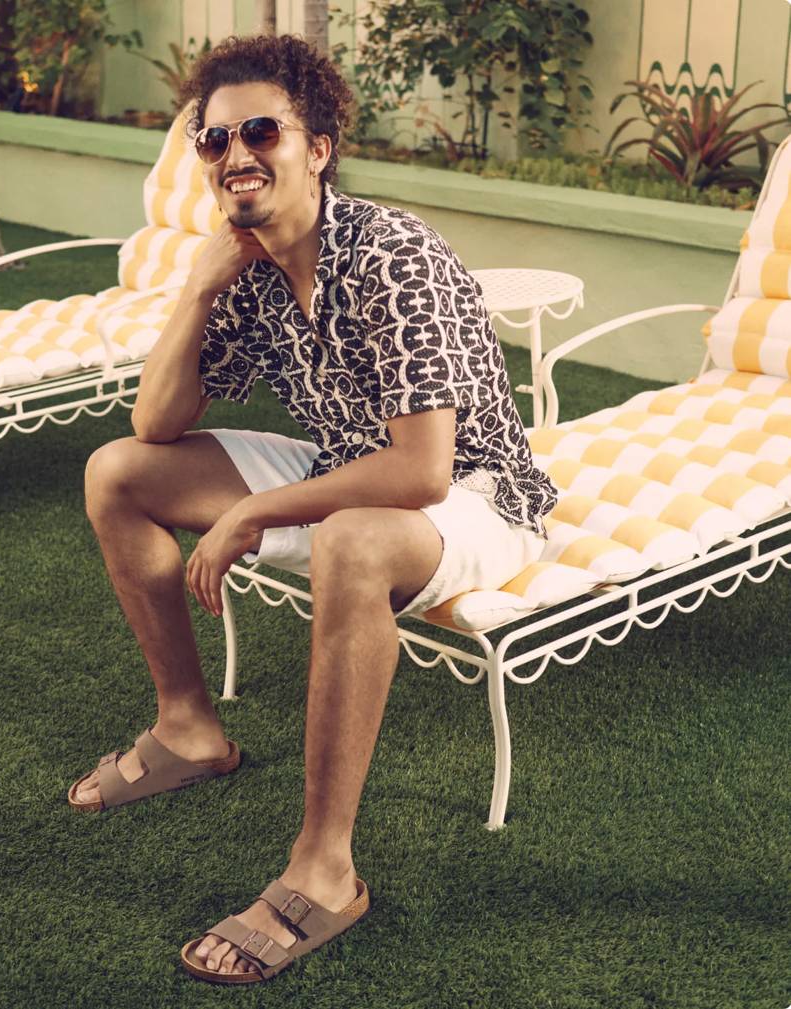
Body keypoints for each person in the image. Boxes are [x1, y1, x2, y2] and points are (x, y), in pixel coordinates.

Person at [69, 33, 558, 984]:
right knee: (116, 470)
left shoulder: (391, 254)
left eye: (261, 131)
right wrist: (200, 286)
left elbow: (420, 472)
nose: (235, 155)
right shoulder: (248, 265)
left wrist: (255, 514)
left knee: (351, 541)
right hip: (346, 463)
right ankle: (188, 729)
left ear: (317, 147)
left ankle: (324, 868)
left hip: (478, 495)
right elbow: (155, 419)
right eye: (214, 141)